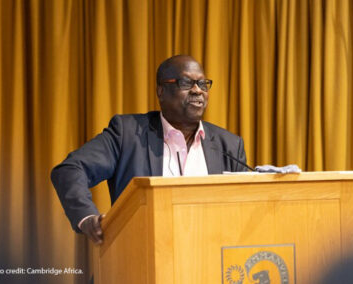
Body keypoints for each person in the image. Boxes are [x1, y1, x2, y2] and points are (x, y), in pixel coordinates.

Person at [51, 55, 248, 245]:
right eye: (186, 83)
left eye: (203, 84)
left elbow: (245, 208)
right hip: (142, 259)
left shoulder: (228, 145)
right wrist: (86, 217)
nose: (198, 91)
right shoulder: (127, 134)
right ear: (161, 91)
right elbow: (70, 169)